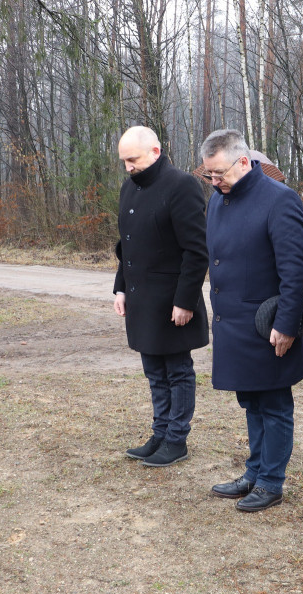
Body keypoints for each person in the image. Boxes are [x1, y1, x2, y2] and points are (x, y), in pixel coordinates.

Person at [200, 129, 303, 512]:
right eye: (209, 175)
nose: (215, 182)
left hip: (267, 327)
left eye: (220, 174)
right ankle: (253, 471)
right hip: (232, 325)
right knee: (252, 402)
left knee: (274, 402)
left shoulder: (280, 200)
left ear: (244, 161)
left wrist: (287, 324)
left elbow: (295, 270)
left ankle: (271, 482)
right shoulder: (217, 202)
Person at [113, 126, 209, 467]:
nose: (128, 167)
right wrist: (120, 287)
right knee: (154, 371)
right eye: (124, 161)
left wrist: (185, 301)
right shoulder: (129, 188)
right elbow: (127, 247)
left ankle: (176, 439)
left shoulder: (182, 185)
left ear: (155, 151)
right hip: (141, 300)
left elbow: (196, 252)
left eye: (133, 159)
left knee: (177, 371)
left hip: (172, 302)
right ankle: (160, 433)